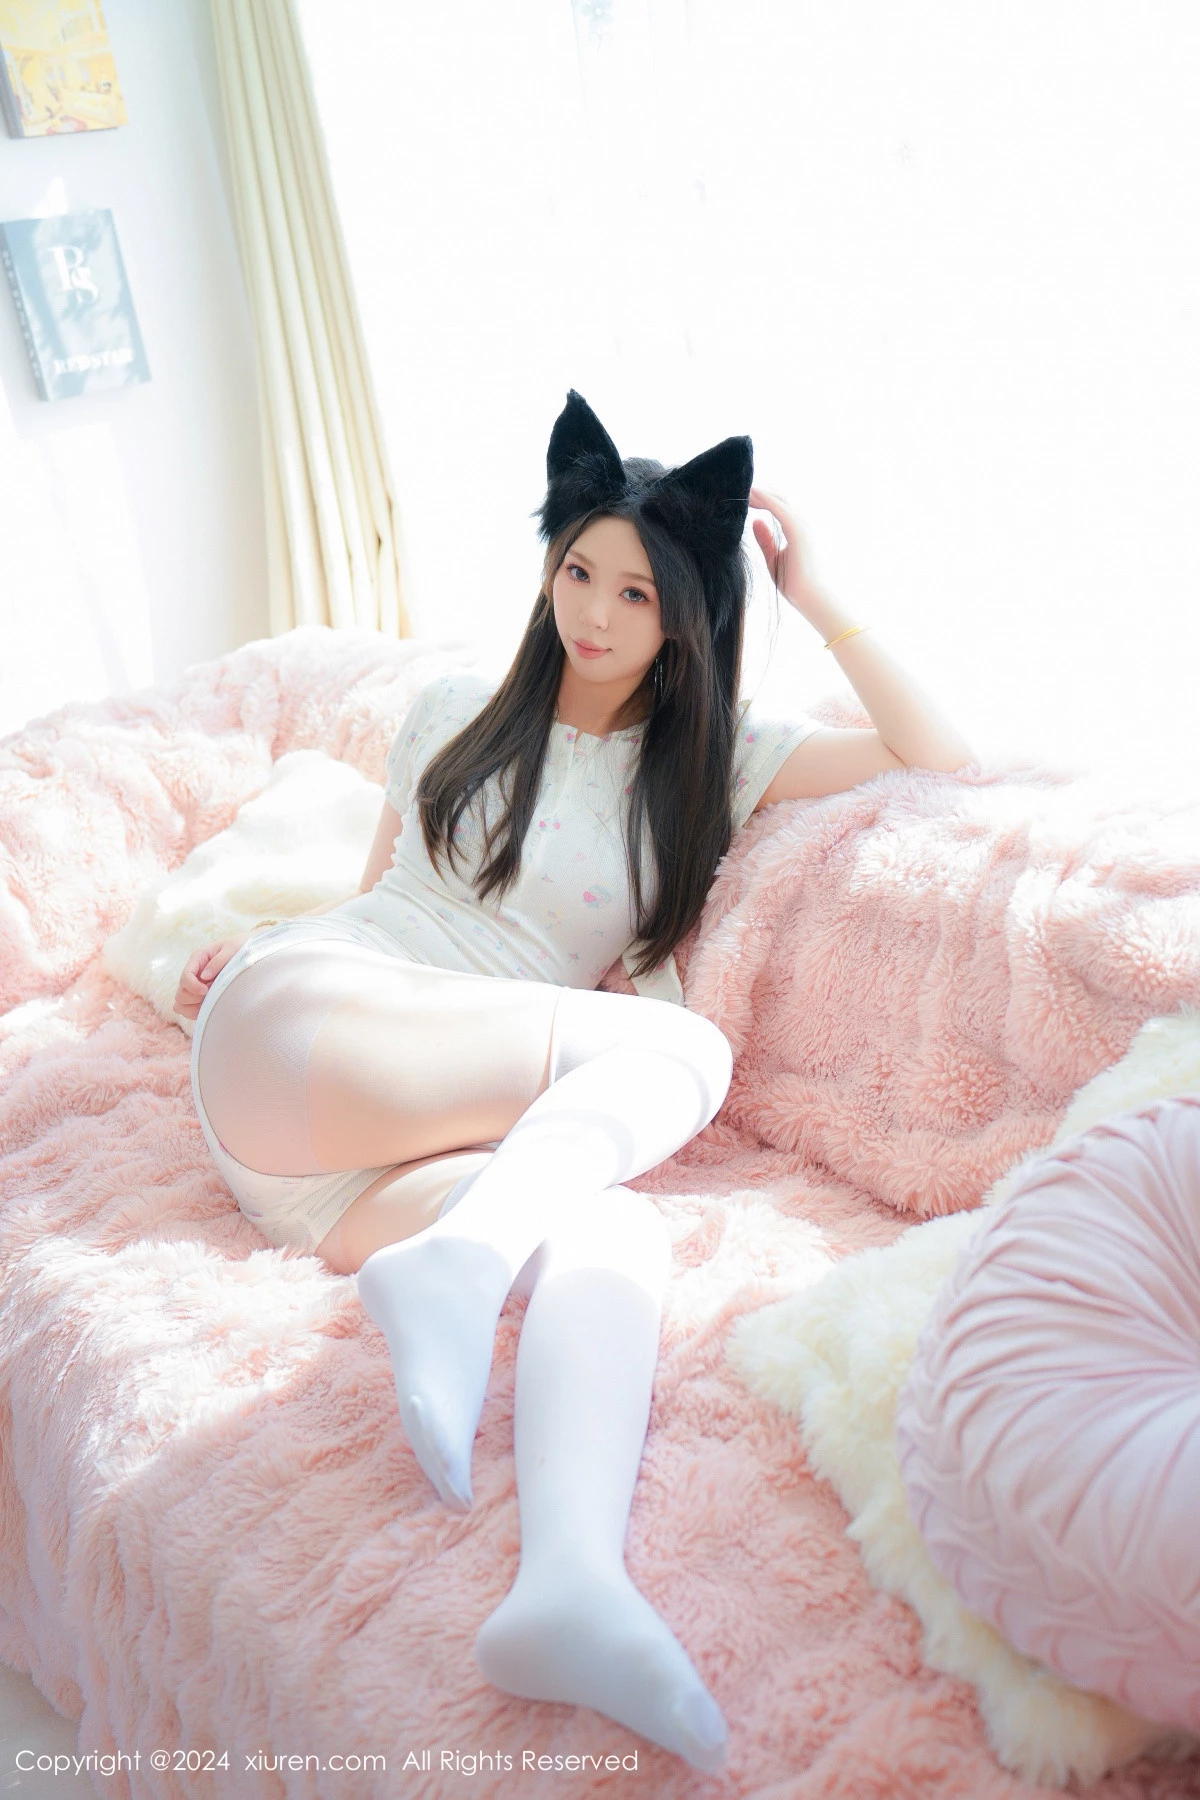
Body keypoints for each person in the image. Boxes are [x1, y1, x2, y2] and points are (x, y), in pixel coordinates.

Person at [174, 389, 975, 1772]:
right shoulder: (450, 710)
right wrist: (255, 949)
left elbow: (938, 755)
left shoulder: (713, 766)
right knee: (688, 1050)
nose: (595, 612)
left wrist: (815, 592)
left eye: (637, 592)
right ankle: (456, 1271)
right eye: (578, 571)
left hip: (335, 1178)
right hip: (309, 1021)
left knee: (613, 1233)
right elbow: (379, 903)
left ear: (683, 619)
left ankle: (569, 1586)